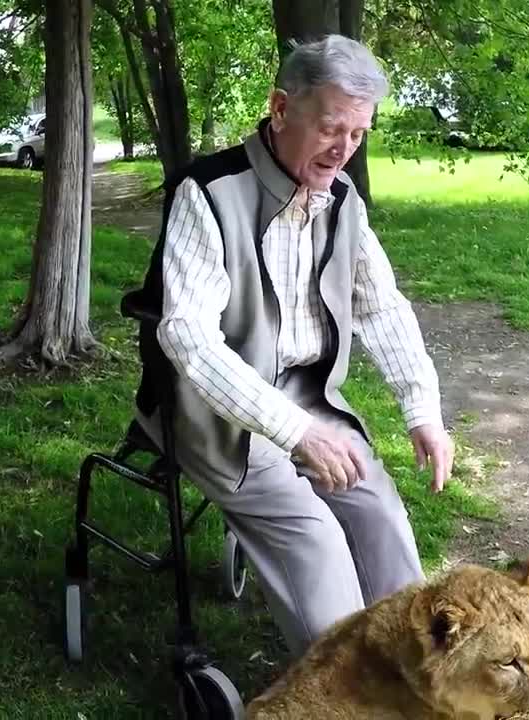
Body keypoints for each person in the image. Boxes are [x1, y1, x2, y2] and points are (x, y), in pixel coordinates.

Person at [131, 34, 455, 657]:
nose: (344, 151)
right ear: (281, 110)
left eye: (358, 135)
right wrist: (294, 431)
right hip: (211, 414)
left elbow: (381, 307)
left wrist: (423, 413)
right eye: (332, 129)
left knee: (380, 517)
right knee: (315, 536)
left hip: (308, 399)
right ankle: (344, 690)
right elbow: (188, 339)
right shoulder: (209, 192)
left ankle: (420, 673)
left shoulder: (342, 202)